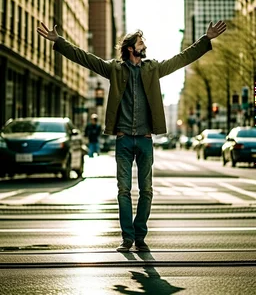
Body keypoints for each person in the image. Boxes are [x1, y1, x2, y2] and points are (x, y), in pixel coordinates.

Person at [37, 20, 226, 252]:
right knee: (123, 190)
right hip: (124, 139)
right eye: (140, 42)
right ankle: (127, 238)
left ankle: (140, 235)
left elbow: (182, 59)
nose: (143, 44)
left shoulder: (153, 68)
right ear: (130, 48)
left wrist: (206, 40)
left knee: (146, 190)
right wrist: (59, 41)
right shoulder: (114, 69)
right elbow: (84, 57)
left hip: (145, 139)